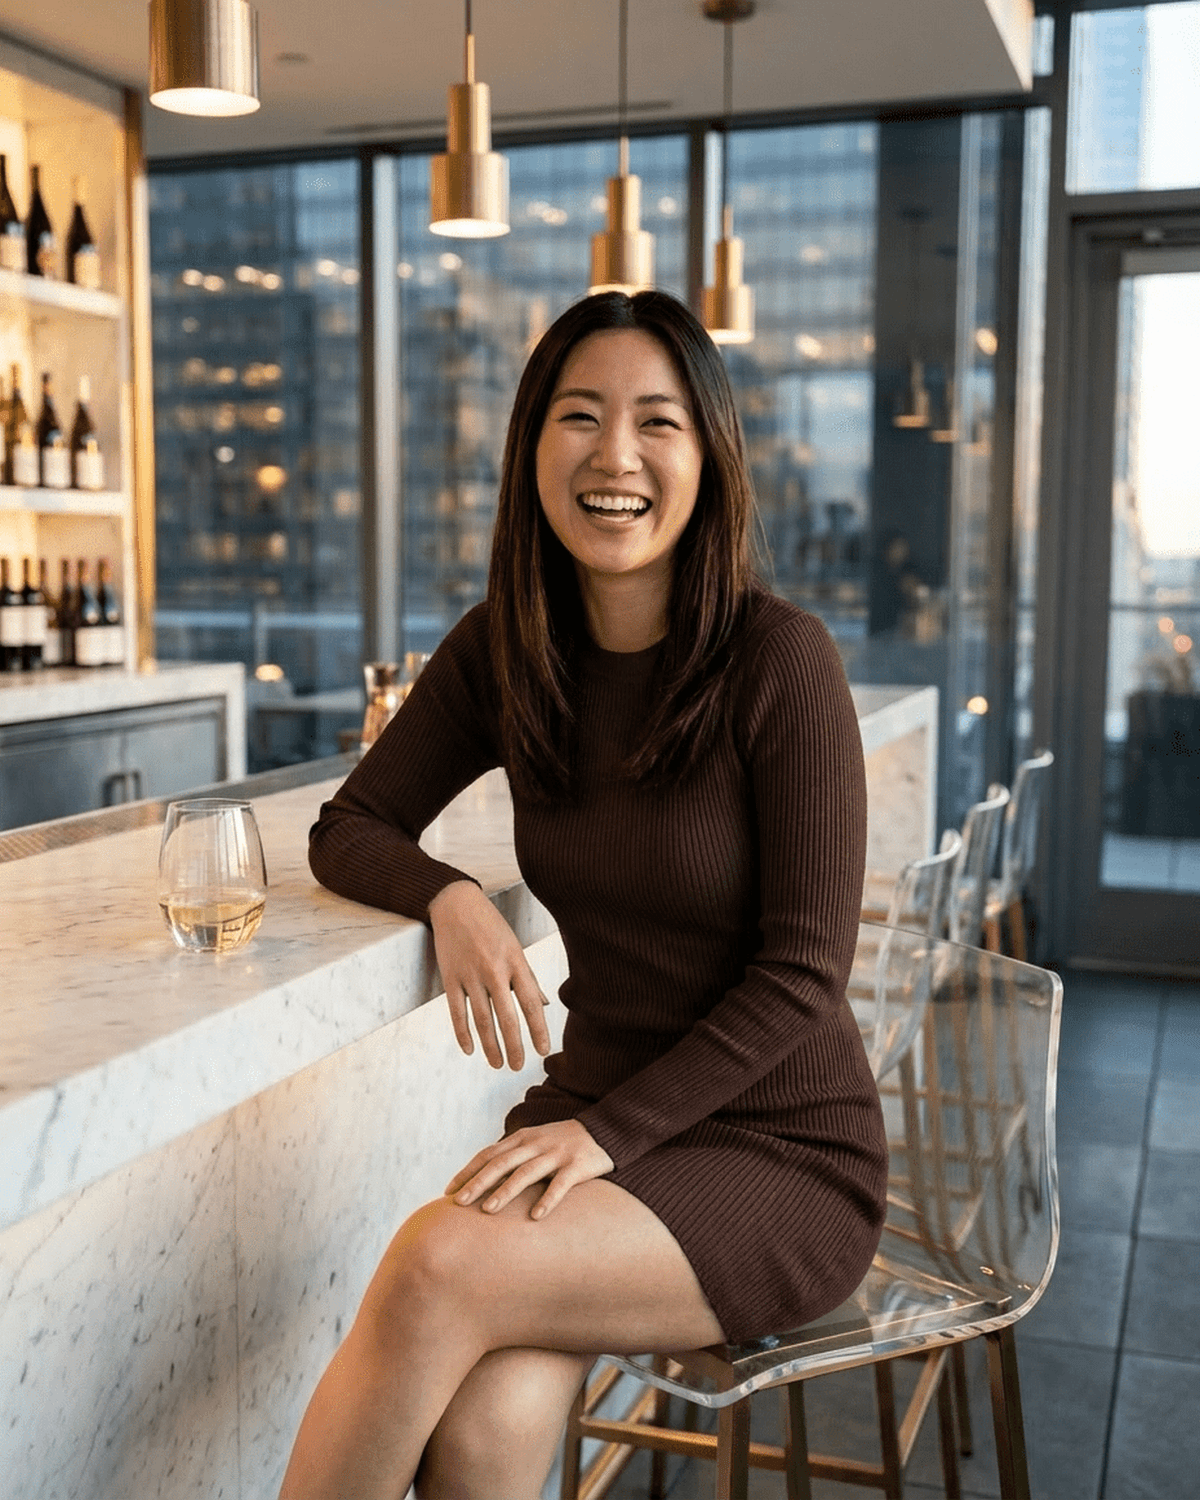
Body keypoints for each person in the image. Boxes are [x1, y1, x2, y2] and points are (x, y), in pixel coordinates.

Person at [279, 289, 887, 1500]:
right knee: (488, 1419)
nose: (616, 457)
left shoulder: (782, 661)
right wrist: (449, 895)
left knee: (436, 1267)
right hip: (598, 1116)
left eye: (658, 422)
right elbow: (349, 827)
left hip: (779, 1147)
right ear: (532, 450)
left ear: (707, 455)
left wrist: (603, 1137)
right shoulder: (507, 649)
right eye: (580, 417)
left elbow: (805, 972)